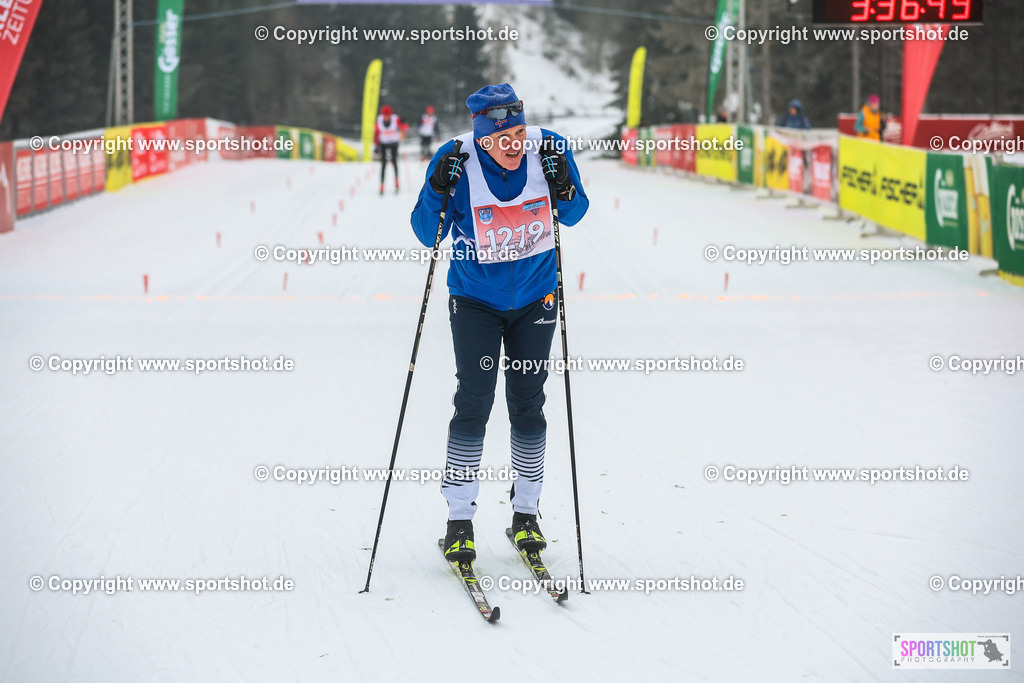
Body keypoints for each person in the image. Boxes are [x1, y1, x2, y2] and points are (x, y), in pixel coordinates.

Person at [410, 83, 589, 562]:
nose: (512, 146)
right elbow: (427, 233)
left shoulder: (549, 148)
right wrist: (437, 188)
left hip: (536, 297)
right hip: (475, 300)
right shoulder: (455, 158)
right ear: (480, 138)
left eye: (518, 135)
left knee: (528, 403)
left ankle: (526, 514)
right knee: (474, 401)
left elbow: (575, 214)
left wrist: (564, 185)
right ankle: (459, 520)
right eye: (499, 139)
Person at [374, 105, 404, 194]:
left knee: (394, 161)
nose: (386, 117)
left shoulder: (395, 119)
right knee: (383, 163)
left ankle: (396, 182)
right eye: (385, 115)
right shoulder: (379, 119)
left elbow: (402, 126)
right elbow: (377, 132)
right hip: (383, 142)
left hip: (394, 142)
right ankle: (382, 185)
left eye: (388, 115)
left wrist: (404, 128)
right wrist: (376, 144)